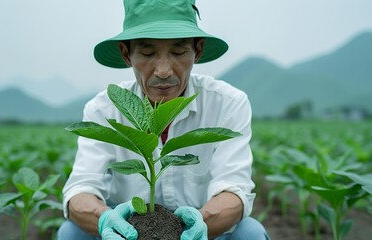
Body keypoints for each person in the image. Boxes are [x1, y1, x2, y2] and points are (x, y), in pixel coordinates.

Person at [58, 0, 270, 239]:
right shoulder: (104, 109)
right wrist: (106, 219)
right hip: (126, 235)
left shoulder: (227, 103)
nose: (163, 71)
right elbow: (81, 189)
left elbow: (234, 189)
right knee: (71, 232)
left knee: (249, 233)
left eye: (178, 52)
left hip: (204, 234)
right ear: (126, 54)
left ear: (197, 50)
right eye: (147, 53)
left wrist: (198, 225)